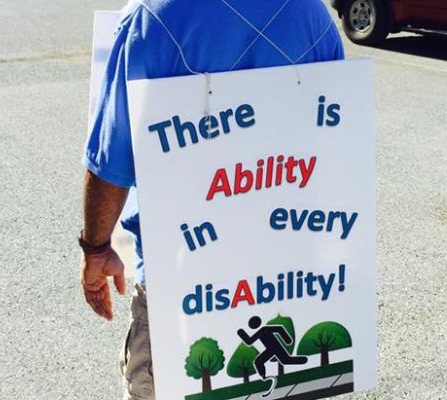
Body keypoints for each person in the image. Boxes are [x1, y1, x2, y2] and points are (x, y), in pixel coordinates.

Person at [79, 0, 345, 398]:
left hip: (181, 281)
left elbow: (111, 162)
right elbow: (335, 137)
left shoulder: (152, 18)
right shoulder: (314, 17)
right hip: (287, 281)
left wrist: (96, 247)